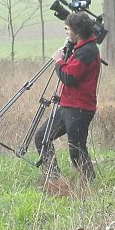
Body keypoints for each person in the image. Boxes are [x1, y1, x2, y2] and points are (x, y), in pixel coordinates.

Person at [35, 11, 101, 186]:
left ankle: (90, 185)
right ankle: (54, 180)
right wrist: (66, 54)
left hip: (80, 108)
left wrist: (58, 61)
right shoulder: (79, 47)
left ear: (77, 32)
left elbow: (69, 77)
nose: (66, 31)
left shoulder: (87, 51)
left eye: (68, 29)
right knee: (42, 138)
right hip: (67, 106)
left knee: (77, 151)